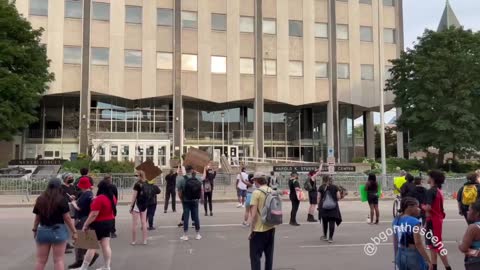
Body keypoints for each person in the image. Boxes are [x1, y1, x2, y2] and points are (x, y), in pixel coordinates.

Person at [32, 178, 78, 270]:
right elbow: (67, 218)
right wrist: (74, 231)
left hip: (43, 230)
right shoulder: (62, 199)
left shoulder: (40, 199)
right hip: (58, 231)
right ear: (59, 187)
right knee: (58, 260)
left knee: (40, 260)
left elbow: (37, 218)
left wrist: (35, 229)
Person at [74, 180, 117, 270]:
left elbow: (94, 214)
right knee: (106, 245)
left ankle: (83, 267)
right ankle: (107, 266)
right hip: (109, 221)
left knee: (91, 246)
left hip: (98, 223)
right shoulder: (112, 197)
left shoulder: (100, 198)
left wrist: (85, 224)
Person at [392, 197, 432, 270]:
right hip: (413, 255)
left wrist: (396, 257)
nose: (419, 209)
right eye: (417, 207)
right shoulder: (414, 222)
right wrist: (428, 260)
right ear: (409, 207)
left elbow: (395, 241)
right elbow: (418, 243)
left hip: (400, 254)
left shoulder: (396, 220)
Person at [68, 177, 98, 269]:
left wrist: (73, 202)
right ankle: (87, 256)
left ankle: (82, 259)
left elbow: (79, 207)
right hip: (86, 217)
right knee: (83, 239)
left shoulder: (85, 195)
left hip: (82, 218)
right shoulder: (89, 194)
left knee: (78, 240)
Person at [424, 170, 452, 270]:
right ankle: (435, 266)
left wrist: (419, 206)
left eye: (428, 176)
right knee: (434, 245)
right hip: (437, 220)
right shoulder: (438, 191)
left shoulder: (431, 191)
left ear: (432, 179)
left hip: (432, 221)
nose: (427, 178)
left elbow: (428, 207)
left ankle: (447, 267)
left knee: (437, 245)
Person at [249, 172, 276, 270]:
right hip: (271, 227)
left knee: (255, 257)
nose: (253, 182)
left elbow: (254, 214)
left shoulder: (256, 192)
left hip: (259, 230)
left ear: (257, 181)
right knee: (269, 256)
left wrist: (251, 230)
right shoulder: (271, 190)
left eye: (254, 180)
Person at [177, 165, 204, 241]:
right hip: (195, 200)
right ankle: (197, 234)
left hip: (186, 200)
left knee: (186, 217)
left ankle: (185, 235)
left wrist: (182, 199)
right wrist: (202, 198)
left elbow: (179, 192)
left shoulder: (181, 179)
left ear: (185, 170)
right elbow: (201, 189)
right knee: (196, 217)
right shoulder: (198, 178)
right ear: (192, 170)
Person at [318, 175, 342, 243]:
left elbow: (319, 198)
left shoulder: (321, 187)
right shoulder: (335, 187)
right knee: (332, 222)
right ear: (331, 180)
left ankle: (325, 236)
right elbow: (338, 197)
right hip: (333, 207)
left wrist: (318, 206)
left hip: (323, 207)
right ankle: (330, 238)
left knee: (325, 222)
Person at [458, 200, 480, 269]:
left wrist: (460, 244)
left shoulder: (473, 228)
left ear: (477, 213)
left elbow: (463, 248)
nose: (467, 212)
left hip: (475, 263)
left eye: (469, 210)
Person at [130, 170, 149, 245]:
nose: (135, 177)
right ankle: (145, 240)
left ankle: (134, 241)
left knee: (134, 224)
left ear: (140, 176)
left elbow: (134, 196)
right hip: (144, 205)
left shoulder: (137, 184)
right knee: (144, 223)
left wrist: (131, 206)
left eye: (136, 175)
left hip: (137, 205)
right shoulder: (146, 183)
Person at [61, 173, 76, 254]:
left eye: (72, 177)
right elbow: (61, 197)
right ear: (65, 179)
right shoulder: (61, 187)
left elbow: (75, 193)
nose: (71, 179)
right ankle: (64, 245)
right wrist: (68, 198)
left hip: (72, 206)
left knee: (70, 226)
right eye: (69, 178)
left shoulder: (72, 186)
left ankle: (67, 243)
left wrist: (74, 196)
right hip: (65, 208)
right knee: (66, 227)